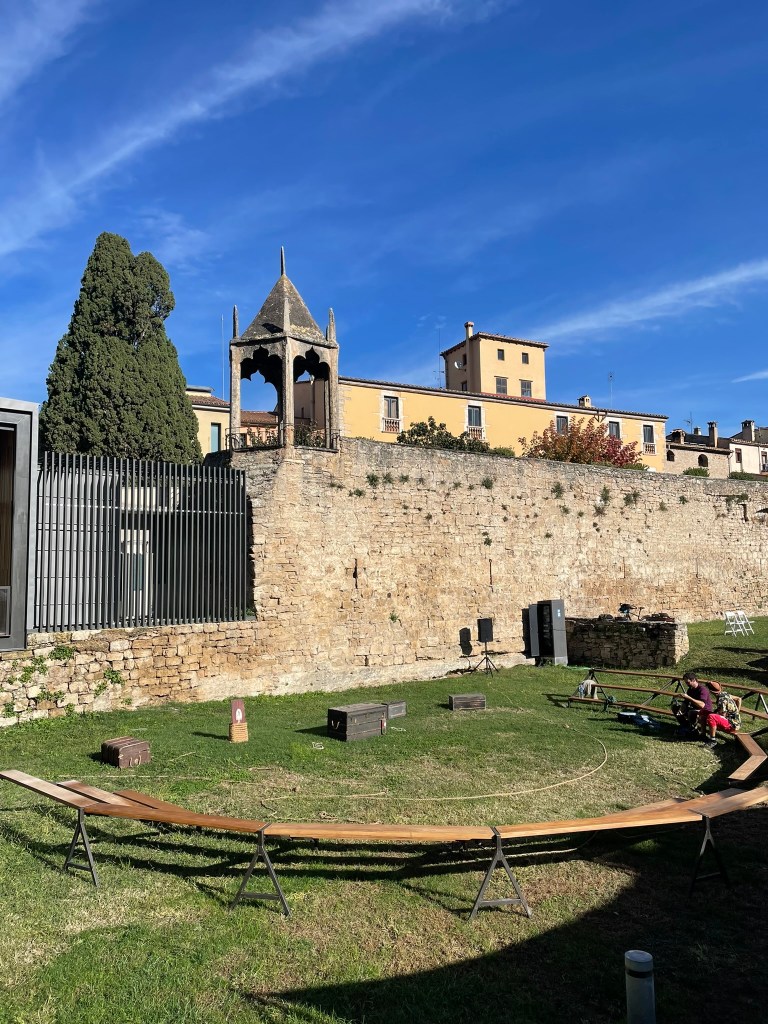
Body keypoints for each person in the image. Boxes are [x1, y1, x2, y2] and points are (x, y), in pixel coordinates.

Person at [672, 670, 713, 737]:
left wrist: (689, 697)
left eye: (688, 682)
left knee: (691, 712)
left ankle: (693, 729)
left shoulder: (702, 690)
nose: (687, 684)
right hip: (695, 708)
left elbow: (702, 705)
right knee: (675, 707)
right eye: (686, 682)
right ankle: (685, 726)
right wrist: (681, 709)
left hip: (705, 710)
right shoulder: (690, 689)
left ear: (694, 680)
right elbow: (685, 702)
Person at [702, 680, 742, 748]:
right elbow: (739, 699)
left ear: (710, 691)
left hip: (732, 725)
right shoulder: (725, 694)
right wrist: (737, 712)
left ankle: (712, 740)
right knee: (703, 712)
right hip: (736, 721)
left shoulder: (721, 699)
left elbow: (722, 715)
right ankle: (702, 735)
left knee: (711, 716)